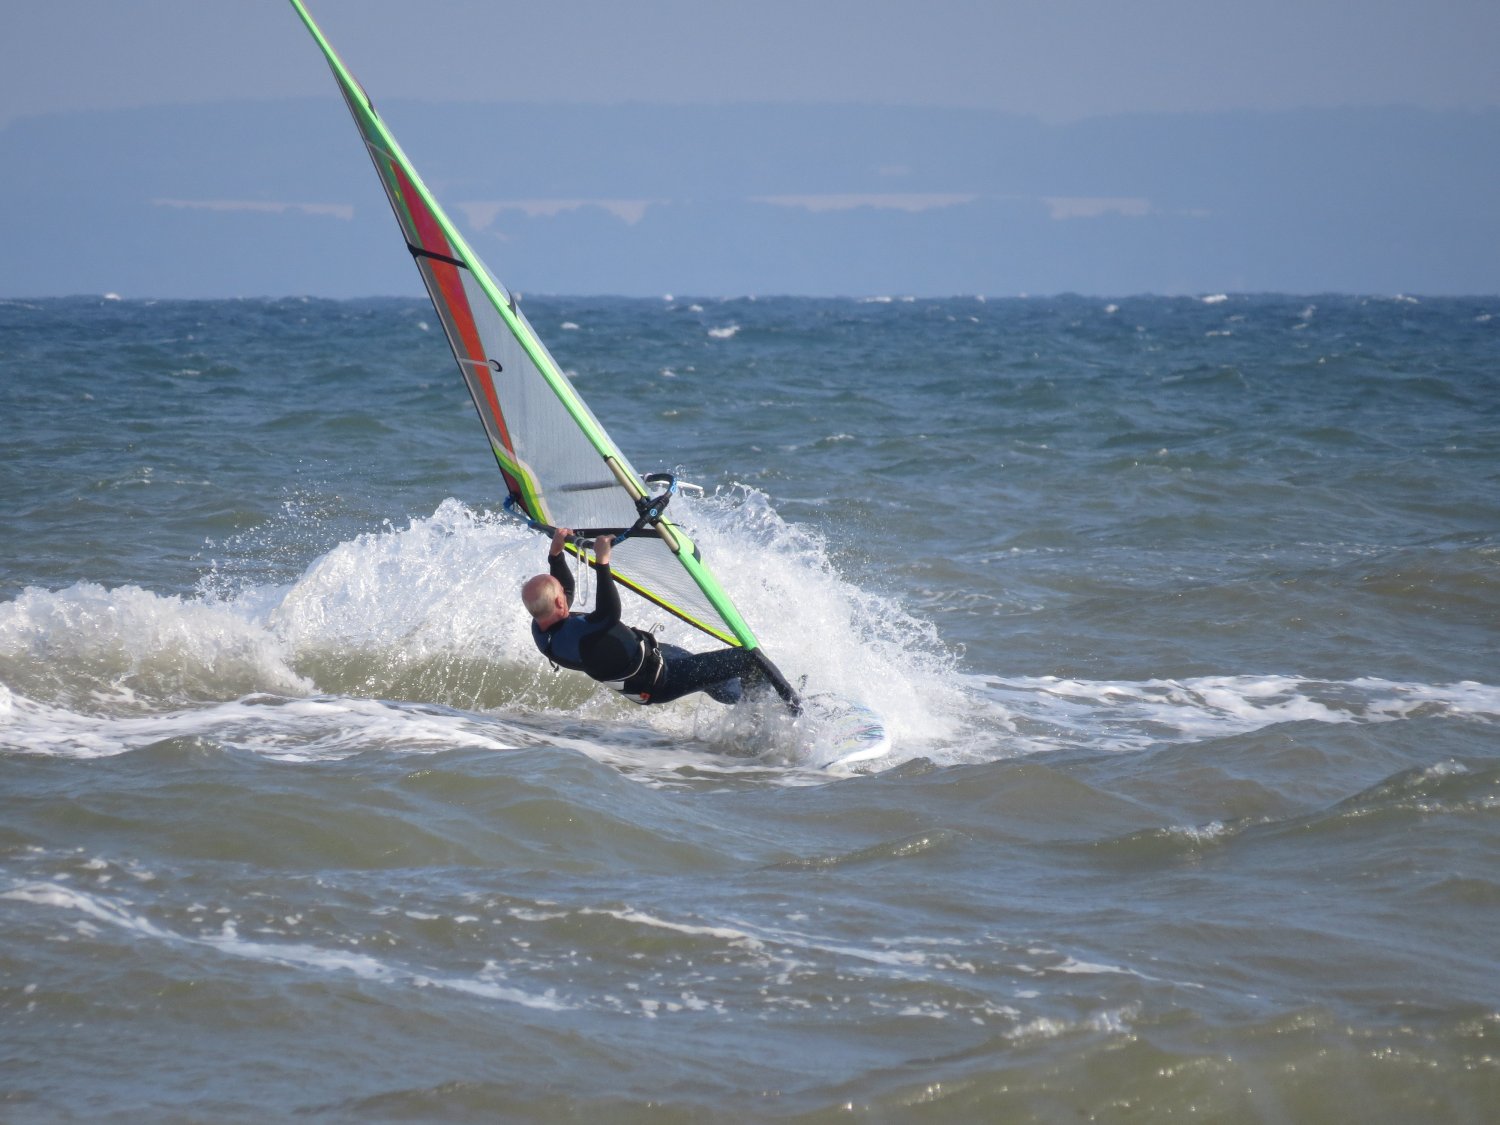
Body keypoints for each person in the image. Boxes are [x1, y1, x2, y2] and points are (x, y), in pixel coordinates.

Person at [521, 527, 800, 711]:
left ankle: (755, 704)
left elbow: (564, 590)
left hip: (650, 665)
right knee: (747, 659)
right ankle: (794, 709)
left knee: (714, 677)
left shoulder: (543, 627)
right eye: (560, 594)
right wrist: (602, 563)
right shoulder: (582, 636)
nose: (564, 593)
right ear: (559, 603)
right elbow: (608, 614)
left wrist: (555, 555)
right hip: (662, 679)